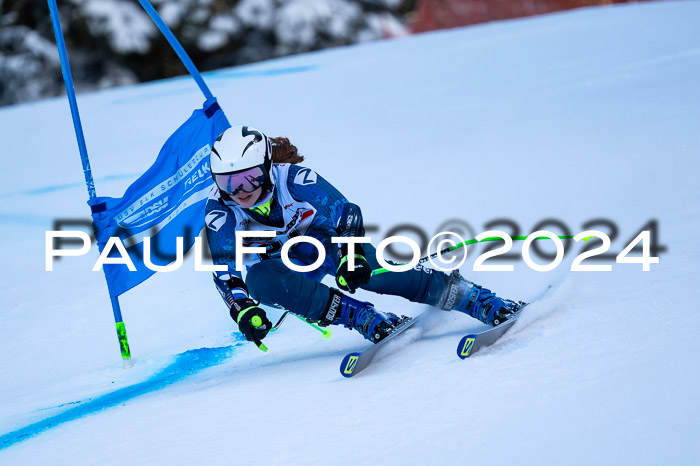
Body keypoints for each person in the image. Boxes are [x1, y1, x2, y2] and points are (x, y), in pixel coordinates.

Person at [205, 125, 521, 347]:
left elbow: (347, 212)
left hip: (325, 242)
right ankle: (362, 317)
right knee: (260, 280)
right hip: (283, 266)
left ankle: (471, 297)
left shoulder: (293, 178)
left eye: (250, 178)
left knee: (373, 274)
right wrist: (243, 308)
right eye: (228, 183)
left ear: (267, 167)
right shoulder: (220, 211)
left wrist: (351, 256)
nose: (240, 191)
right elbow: (225, 273)